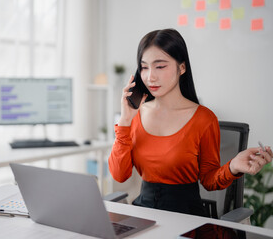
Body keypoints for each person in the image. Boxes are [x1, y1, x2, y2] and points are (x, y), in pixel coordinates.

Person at [108, 28, 273, 217]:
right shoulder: (135, 115)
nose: (150, 76)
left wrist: (233, 166)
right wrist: (125, 120)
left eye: (160, 66)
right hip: (144, 215)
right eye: (144, 67)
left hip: (187, 219)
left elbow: (210, 181)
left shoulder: (204, 119)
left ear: (182, 68)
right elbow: (119, 175)